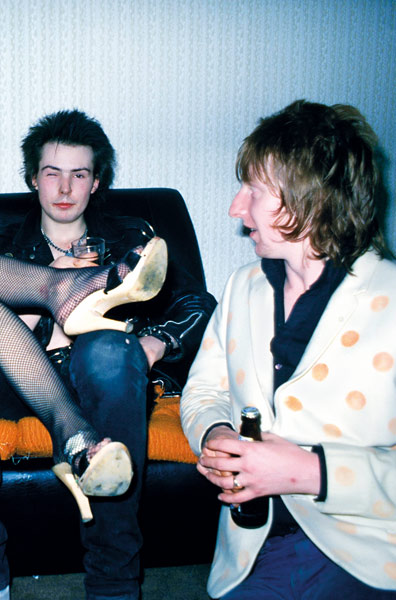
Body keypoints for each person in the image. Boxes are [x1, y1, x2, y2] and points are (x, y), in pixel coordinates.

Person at [0, 109, 216, 599]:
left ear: (96, 182)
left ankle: (114, 583)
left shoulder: (132, 238)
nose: (64, 189)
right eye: (52, 174)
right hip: (19, 388)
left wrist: (147, 347)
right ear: (33, 180)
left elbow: (196, 301)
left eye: (78, 175)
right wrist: (43, 299)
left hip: (106, 379)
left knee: (106, 350)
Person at [181, 100, 396, 599]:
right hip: (256, 542)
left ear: (308, 199)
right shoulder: (242, 287)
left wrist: (306, 471)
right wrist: (215, 436)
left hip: (370, 547)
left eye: (252, 190)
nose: (236, 209)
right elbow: (202, 391)